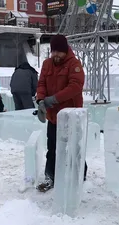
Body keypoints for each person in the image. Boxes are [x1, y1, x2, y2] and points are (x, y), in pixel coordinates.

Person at [35, 34, 87, 192]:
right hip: (53, 116)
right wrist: (41, 100)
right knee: (52, 148)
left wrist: (54, 99)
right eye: (53, 51)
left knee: (74, 146)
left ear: (65, 50)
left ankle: (80, 174)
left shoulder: (74, 64)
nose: (55, 54)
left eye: (59, 51)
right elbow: (42, 83)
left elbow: (76, 86)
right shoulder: (47, 64)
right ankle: (50, 177)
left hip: (71, 116)